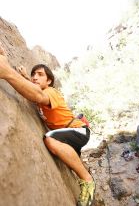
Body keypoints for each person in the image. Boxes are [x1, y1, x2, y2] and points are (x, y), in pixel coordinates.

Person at [0, 45, 95, 206]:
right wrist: (23, 76)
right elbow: (31, 90)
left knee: (50, 139)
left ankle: (87, 180)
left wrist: (7, 71)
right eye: (33, 75)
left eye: (40, 75)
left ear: (49, 81)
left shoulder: (52, 92)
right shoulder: (39, 89)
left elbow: (37, 95)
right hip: (67, 135)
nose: (35, 77)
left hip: (78, 130)